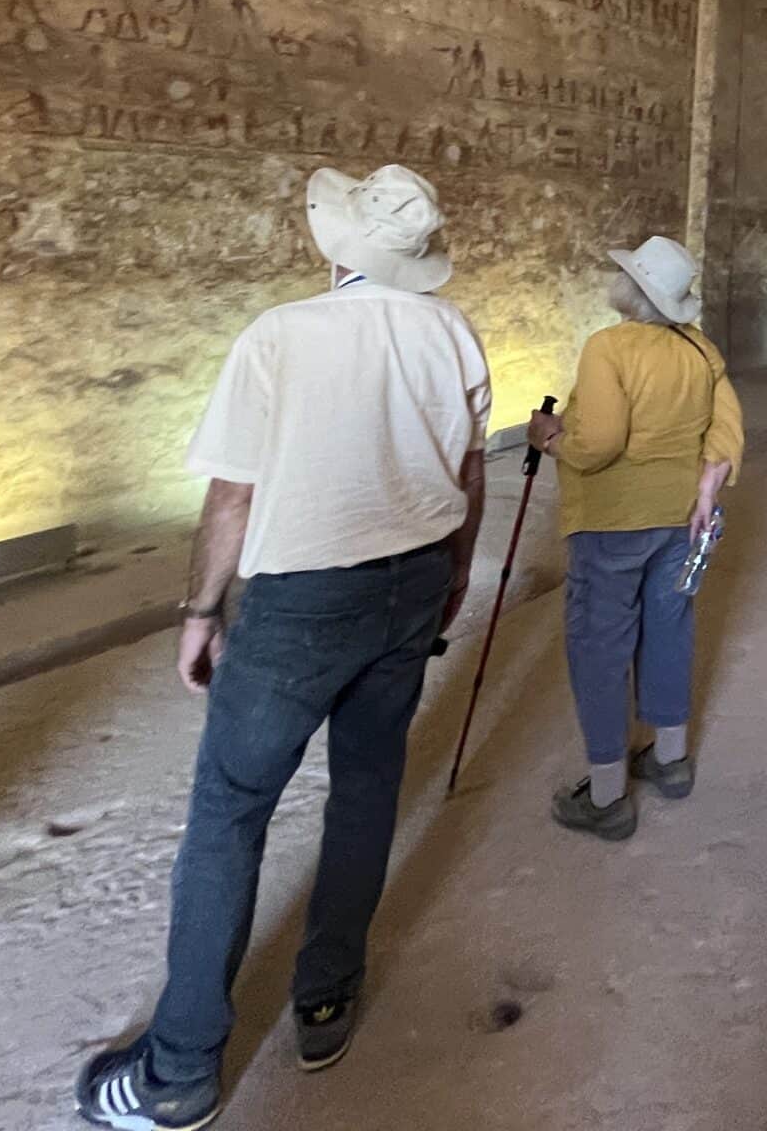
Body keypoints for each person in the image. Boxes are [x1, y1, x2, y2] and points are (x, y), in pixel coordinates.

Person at [76, 165, 491, 1130]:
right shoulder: (454, 332)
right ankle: (326, 1001)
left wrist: (199, 611)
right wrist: (455, 577)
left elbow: (233, 493)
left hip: (303, 599)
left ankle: (180, 1070)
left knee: (230, 811)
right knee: (366, 790)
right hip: (416, 578)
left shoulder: (282, 335)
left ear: (338, 247)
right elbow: (469, 471)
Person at [529, 235, 743, 840]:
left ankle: (606, 797)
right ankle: (670, 760)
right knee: (669, 629)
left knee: (599, 646)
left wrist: (551, 437)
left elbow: (598, 443)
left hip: (612, 521)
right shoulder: (700, 348)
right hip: (681, 518)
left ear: (630, 289)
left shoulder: (609, 347)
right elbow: (727, 429)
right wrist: (708, 486)